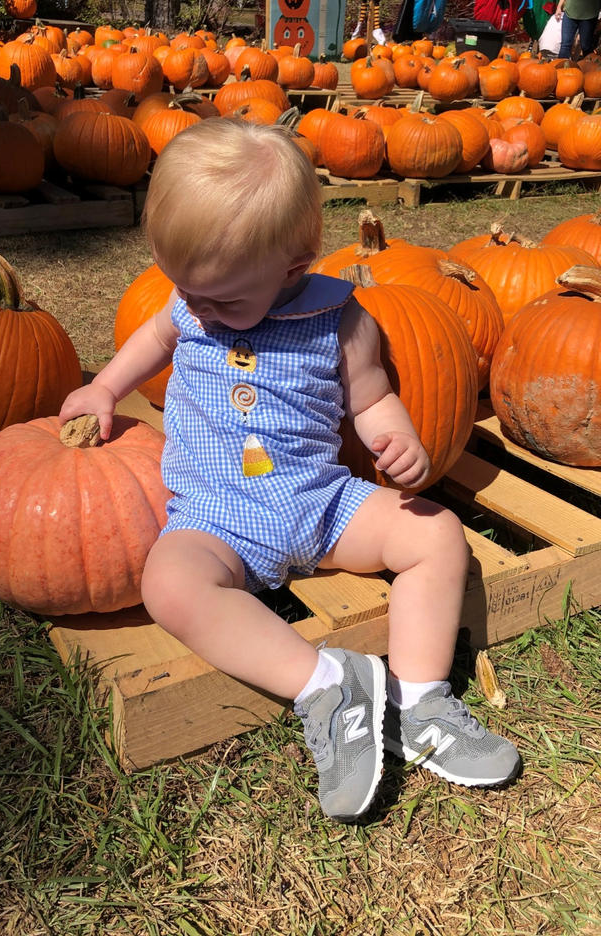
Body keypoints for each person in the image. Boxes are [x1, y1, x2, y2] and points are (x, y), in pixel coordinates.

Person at [59, 120, 521, 822]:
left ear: (295, 264)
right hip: (212, 519)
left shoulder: (340, 320)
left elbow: (373, 400)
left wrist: (399, 442)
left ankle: (421, 701)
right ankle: (329, 686)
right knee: (170, 583)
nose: (203, 312)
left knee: (436, 534)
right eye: (189, 292)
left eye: (224, 299)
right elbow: (151, 339)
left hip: (322, 503)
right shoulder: (190, 303)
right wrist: (103, 388)